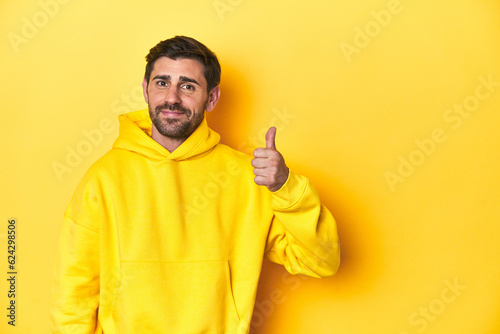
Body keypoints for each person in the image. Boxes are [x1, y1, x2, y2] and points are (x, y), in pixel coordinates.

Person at [50, 35, 340, 334]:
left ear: (212, 98)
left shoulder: (248, 177)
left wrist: (285, 186)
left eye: (188, 86)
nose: (172, 97)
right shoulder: (105, 176)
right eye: (162, 83)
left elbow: (321, 262)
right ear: (146, 91)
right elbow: (74, 291)